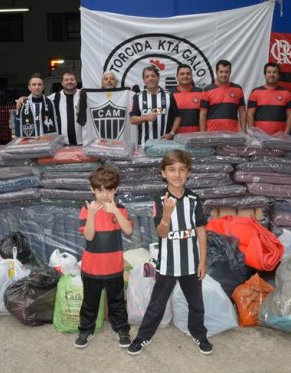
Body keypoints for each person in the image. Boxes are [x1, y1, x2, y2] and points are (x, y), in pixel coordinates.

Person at [128, 150, 212, 356]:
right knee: (157, 304)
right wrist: (166, 214)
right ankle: (143, 336)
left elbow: (201, 230)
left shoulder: (194, 199)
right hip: (167, 264)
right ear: (163, 173)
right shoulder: (160, 199)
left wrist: (203, 260)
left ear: (189, 173)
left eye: (182, 170)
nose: (177, 174)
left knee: (196, 303)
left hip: (191, 263)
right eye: (172, 170)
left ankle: (199, 334)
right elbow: (161, 232)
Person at [76, 165, 133, 349]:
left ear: (115, 190)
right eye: (100, 190)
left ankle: (122, 330)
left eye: (109, 190)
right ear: (92, 190)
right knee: (90, 302)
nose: (105, 195)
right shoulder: (86, 210)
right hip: (91, 268)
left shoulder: (120, 209)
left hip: (114, 267)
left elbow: (128, 230)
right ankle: (85, 330)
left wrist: (115, 211)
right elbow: (89, 236)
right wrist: (92, 215)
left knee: (117, 302)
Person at [130, 65, 180, 146]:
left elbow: (177, 116)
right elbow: (132, 119)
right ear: (144, 80)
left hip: (165, 143)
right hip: (144, 144)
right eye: (147, 77)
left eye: (153, 76)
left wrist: (172, 133)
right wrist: (147, 117)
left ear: (158, 78)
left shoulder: (168, 95)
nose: (150, 78)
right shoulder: (137, 97)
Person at [247, 62, 291, 135]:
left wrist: (286, 134)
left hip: (280, 138)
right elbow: (250, 114)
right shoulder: (256, 92)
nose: (272, 75)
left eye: (275, 72)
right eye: (269, 72)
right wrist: (253, 134)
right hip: (260, 138)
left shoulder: (286, 93)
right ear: (265, 75)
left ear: (278, 75)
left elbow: (290, 115)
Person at [200, 59, 246, 132]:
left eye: (226, 72)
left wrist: (244, 131)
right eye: (221, 72)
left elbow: (242, 111)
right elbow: (203, 114)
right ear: (216, 72)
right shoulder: (207, 90)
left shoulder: (238, 89)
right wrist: (202, 133)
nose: (224, 74)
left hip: (232, 133)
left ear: (230, 72)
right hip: (212, 133)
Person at [17, 73, 58, 137]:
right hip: (29, 144)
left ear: (43, 87)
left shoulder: (51, 102)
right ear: (29, 87)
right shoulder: (22, 104)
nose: (37, 87)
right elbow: (17, 127)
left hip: (47, 143)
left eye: (39, 84)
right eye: (34, 84)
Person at [169, 64, 207, 134]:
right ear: (177, 77)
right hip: (175, 138)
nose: (185, 76)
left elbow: (205, 116)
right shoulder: (169, 94)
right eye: (182, 74)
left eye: (188, 74)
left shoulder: (201, 93)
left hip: (195, 138)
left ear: (192, 76)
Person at [47, 71, 83, 145]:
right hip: (62, 144)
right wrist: (24, 98)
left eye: (72, 79)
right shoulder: (54, 97)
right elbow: (38, 99)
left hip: (82, 143)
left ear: (76, 82)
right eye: (66, 80)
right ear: (62, 83)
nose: (69, 81)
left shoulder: (83, 95)